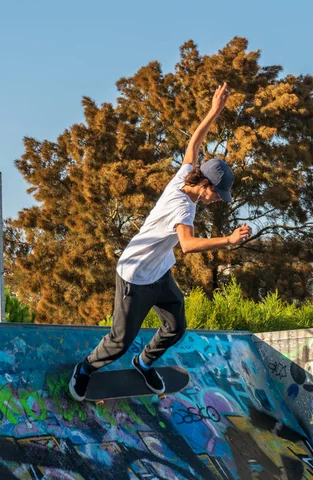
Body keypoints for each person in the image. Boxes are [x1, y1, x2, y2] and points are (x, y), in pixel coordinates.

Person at [69, 82, 252, 402]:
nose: (217, 201)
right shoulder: (182, 207)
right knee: (119, 342)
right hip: (135, 275)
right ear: (206, 184)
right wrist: (229, 240)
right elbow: (188, 245)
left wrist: (214, 111)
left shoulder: (186, 174)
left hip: (159, 272)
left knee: (176, 325)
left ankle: (145, 362)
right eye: (216, 194)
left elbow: (194, 142)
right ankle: (84, 369)